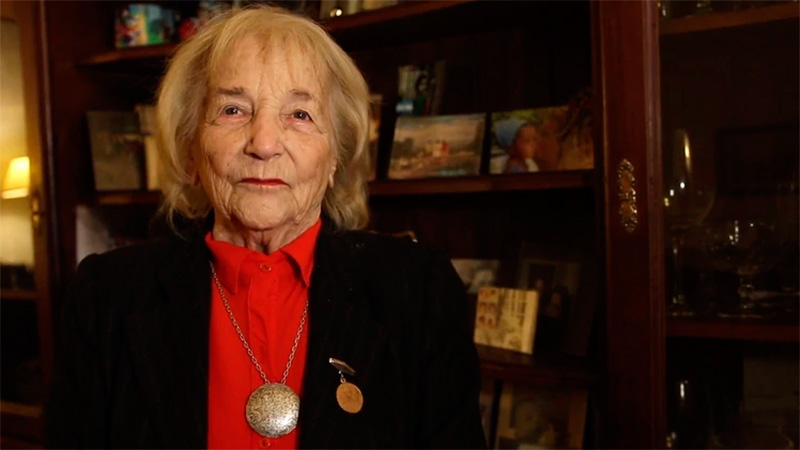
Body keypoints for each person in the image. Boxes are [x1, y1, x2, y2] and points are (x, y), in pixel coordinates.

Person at [45, 6, 484, 449]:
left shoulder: (420, 291)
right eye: (233, 110)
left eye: (300, 115)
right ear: (192, 148)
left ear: (334, 157)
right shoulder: (107, 294)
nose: (265, 144)